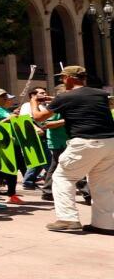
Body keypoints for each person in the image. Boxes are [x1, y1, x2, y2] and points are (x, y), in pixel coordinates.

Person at [31, 66, 114, 232]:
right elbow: (83, 102)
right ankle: (104, 224)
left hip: (85, 142)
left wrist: (33, 102)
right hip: (109, 142)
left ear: (68, 78)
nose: (61, 80)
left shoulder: (65, 97)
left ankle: (67, 219)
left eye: (62, 78)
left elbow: (38, 117)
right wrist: (56, 99)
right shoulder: (100, 94)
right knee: (102, 185)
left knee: (62, 177)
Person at [40, 85, 69, 202]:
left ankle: (47, 191)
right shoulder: (56, 107)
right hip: (59, 142)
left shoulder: (66, 105)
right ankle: (87, 193)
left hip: (67, 141)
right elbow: (46, 124)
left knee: (56, 166)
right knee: (67, 165)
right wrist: (67, 120)